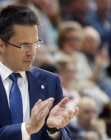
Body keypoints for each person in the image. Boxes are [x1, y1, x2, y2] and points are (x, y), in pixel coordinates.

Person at [0, 5, 79, 140]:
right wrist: (27, 128)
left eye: (35, 44)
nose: (32, 53)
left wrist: (53, 129)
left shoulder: (50, 81)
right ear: (1, 45)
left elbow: (66, 137)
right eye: (24, 45)